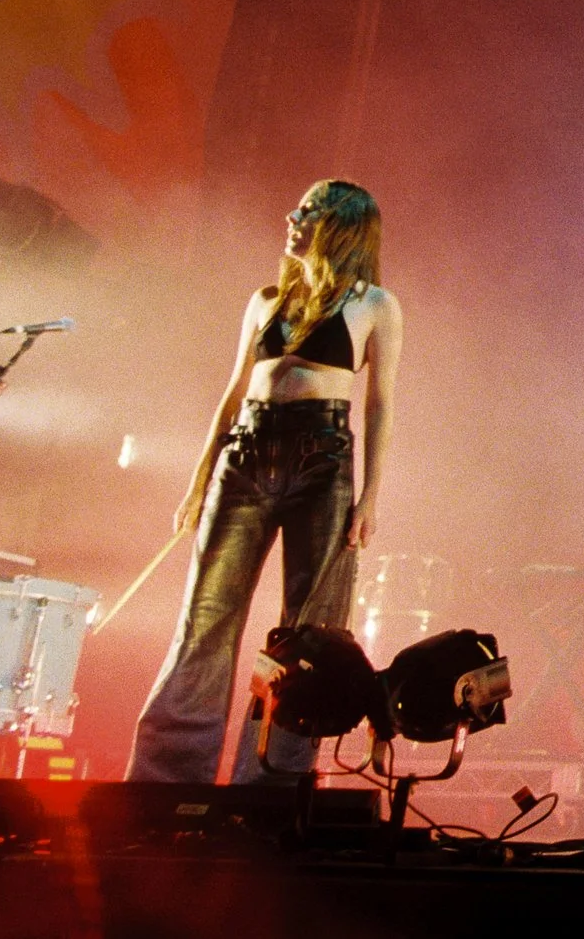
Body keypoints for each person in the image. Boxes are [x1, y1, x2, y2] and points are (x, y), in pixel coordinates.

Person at [128, 180, 402, 782]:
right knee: (206, 615)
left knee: (305, 633)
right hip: (246, 453)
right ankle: (166, 778)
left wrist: (371, 496)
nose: (292, 216)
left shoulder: (374, 304)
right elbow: (233, 392)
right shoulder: (266, 300)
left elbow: (380, 404)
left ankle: (271, 780)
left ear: (340, 225)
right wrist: (199, 480)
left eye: (307, 210)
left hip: (322, 460)